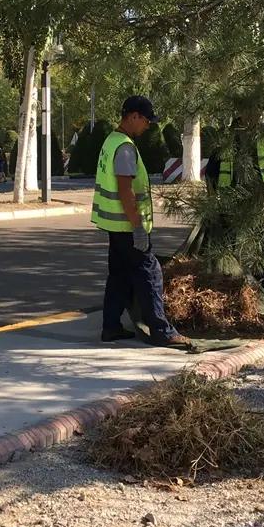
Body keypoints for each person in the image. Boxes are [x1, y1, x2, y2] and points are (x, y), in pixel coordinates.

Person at [91, 95, 189, 348]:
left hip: (115, 226)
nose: (148, 125)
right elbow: (126, 191)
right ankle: (161, 331)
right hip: (127, 226)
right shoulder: (125, 148)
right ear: (133, 116)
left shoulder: (111, 140)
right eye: (146, 120)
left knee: (119, 276)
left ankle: (111, 327)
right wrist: (138, 228)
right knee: (150, 273)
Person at [203, 108, 264, 291]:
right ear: (242, 112)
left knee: (261, 245)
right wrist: (212, 201)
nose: (258, 114)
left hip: (257, 200)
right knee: (229, 245)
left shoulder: (263, 133)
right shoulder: (226, 138)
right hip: (231, 201)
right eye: (254, 110)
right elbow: (211, 172)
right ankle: (229, 283)